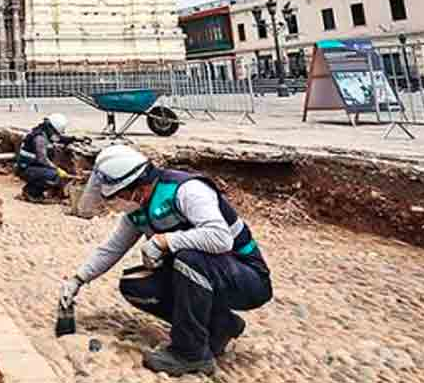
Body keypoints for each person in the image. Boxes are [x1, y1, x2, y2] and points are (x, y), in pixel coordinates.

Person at [56, 145, 272, 377]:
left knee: (188, 259)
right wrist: (78, 279)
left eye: (117, 196)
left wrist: (165, 241)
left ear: (135, 188)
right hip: (206, 274)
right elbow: (112, 248)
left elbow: (221, 239)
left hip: (247, 278)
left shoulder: (186, 191)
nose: (116, 203)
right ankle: (220, 325)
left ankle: (191, 354)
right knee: (136, 286)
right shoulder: (138, 210)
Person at [14, 113, 72, 203]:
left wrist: (72, 139)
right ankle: (31, 193)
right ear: (52, 128)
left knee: (52, 172)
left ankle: (32, 190)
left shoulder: (41, 131)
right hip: (26, 169)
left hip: (29, 167)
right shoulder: (39, 138)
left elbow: (58, 138)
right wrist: (57, 170)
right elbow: (42, 159)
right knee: (54, 175)